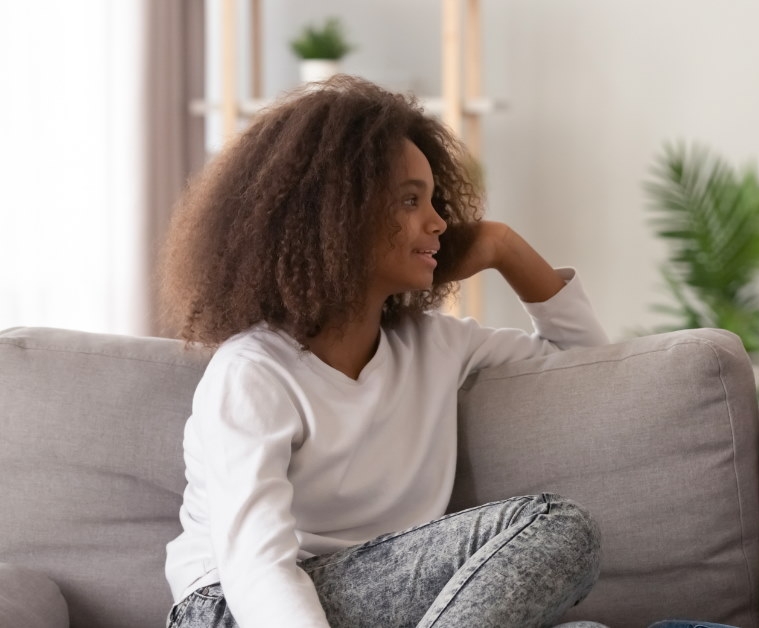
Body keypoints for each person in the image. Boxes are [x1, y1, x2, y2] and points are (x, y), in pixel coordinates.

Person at [159, 75, 609, 628]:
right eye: (408, 201)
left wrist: (503, 246)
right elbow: (257, 571)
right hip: (236, 607)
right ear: (333, 218)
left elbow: (589, 367)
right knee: (559, 527)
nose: (439, 222)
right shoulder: (251, 372)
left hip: (383, 602)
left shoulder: (437, 345)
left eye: (432, 199)